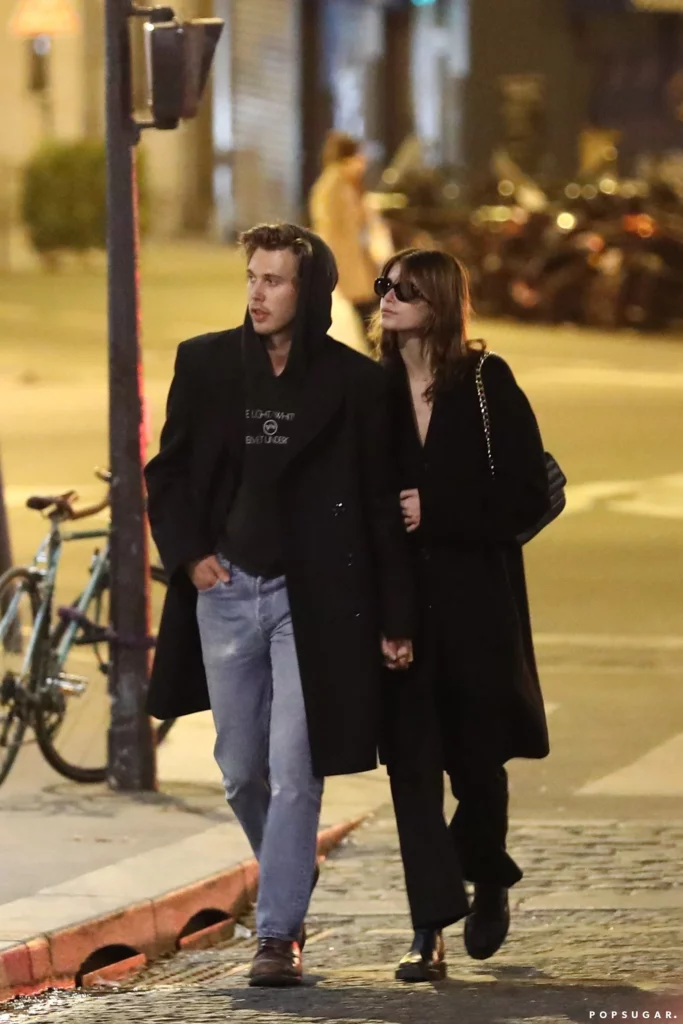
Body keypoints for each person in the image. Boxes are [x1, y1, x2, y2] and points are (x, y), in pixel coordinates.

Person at [145, 224, 414, 988]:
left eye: (275, 281)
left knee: (298, 770)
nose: (258, 294)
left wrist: (395, 618)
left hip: (314, 599)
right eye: (252, 278)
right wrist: (191, 555)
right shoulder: (204, 364)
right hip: (226, 588)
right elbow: (165, 472)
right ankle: (291, 870)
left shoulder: (355, 385)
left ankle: (277, 933)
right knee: (238, 770)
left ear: (312, 292)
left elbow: (372, 506)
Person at [372, 248, 551, 982]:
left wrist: (435, 510)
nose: (384, 299)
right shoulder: (370, 390)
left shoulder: (485, 383)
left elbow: (526, 495)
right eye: (382, 287)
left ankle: (488, 879)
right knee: (412, 772)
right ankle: (427, 929)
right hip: (399, 610)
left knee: (476, 765)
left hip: (476, 606)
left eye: (401, 290)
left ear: (438, 304)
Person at [309, 131, 379, 327]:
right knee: (371, 315)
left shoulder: (341, 183)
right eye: (359, 156)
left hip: (353, 263)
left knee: (371, 315)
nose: (363, 162)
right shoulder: (335, 186)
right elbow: (339, 227)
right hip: (347, 263)